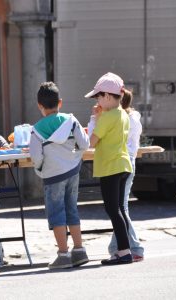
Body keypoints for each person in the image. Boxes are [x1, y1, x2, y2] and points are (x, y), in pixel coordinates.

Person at [29, 81, 90, 269]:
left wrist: (40, 169)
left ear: (40, 106)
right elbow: (85, 144)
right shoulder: (72, 121)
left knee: (57, 213)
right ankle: (79, 250)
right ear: (60, 102)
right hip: (73, 171)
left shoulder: (37, 129)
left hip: (53, 176)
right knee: (72, 209)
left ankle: (63, 254)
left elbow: (36, 157)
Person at [85, 72, 133, 265]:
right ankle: (125, 249)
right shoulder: (122, 114)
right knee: (119, 209)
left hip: (110, 167)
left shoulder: (106, 117)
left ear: (106, 96)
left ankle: (124, 251)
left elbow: (92, 142)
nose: (97, 100)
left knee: (113, 209)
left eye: (98, 96)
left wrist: (95, 118)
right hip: (122, 164)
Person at [107, 89, 144, 262]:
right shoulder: (133, 117)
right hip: (129, 162)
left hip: (121, 163)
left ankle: (135, 247)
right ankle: (118, 247)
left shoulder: (122, 119)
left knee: (120, 208)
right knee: (121, 207)